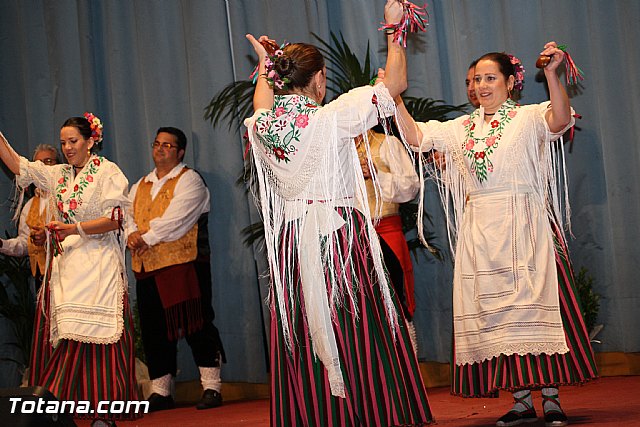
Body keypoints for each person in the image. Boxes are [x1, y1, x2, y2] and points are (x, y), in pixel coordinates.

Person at [243, 1, 432, 425]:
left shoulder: (262, 127)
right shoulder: (333, 117)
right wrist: (394, 29)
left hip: (292, 242)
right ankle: (370, 412)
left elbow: (260, 106)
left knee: (305, 324)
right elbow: (395, 82)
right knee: (356, 323)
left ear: (276, 80)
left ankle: (315, 414)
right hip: (338, 237)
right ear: (320, 79)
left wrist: (261, 66)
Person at [396, 43, 598, 427]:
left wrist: (553, 74)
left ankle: (551, 398)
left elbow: (559, 119)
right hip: (481, 231)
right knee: (497, 314)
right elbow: (418, 138)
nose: (481, 86)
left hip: (526, 225)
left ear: (510, 82)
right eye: (474, 80)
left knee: (534, 308)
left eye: (490, 78)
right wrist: (394, 98)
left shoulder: (527, 117)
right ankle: (521, 400)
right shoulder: (460, 128)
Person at [0, 114, 139, 425]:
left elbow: (115, 219)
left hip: (99, 266)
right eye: (63, 143)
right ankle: (58, 413)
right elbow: (18, 164)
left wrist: (72, 228)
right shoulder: (58, 175)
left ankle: (105, 414)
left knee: (102, 341)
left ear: (91, 141)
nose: (67, 148)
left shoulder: (108, 172)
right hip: (67, 270)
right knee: (67, 340)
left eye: (73, 141)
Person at [126, 127, 226, 412]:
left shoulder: (189, 180)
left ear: (180, 151)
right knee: (154, 329)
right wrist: (132, 234)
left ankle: (211, 387)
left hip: (184, 266)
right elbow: (127, 216)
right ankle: (161, 391)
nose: (160, 149)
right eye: (157, 143)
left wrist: (144, 237)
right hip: (147, 268)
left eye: (168, 145)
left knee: (197, 324)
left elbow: (177, 221)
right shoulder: (140, 184)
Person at [355, 122, 421, 353]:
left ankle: (407, 362)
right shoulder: (335, 149)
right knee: (359, 308)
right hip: (351, 238)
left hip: (386, 233)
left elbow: (410, 188)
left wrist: (376, 174)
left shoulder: (387, 144)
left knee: (396, 301)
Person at [0, 144, 60, 284]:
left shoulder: (68, 198)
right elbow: (24, 244)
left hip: (68, 270)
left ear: (59, 165)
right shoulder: (30, 205)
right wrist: (2, 244)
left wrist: (48, 237)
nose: (42, 167)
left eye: (48, 161)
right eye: (37, 163)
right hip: (42, 276)